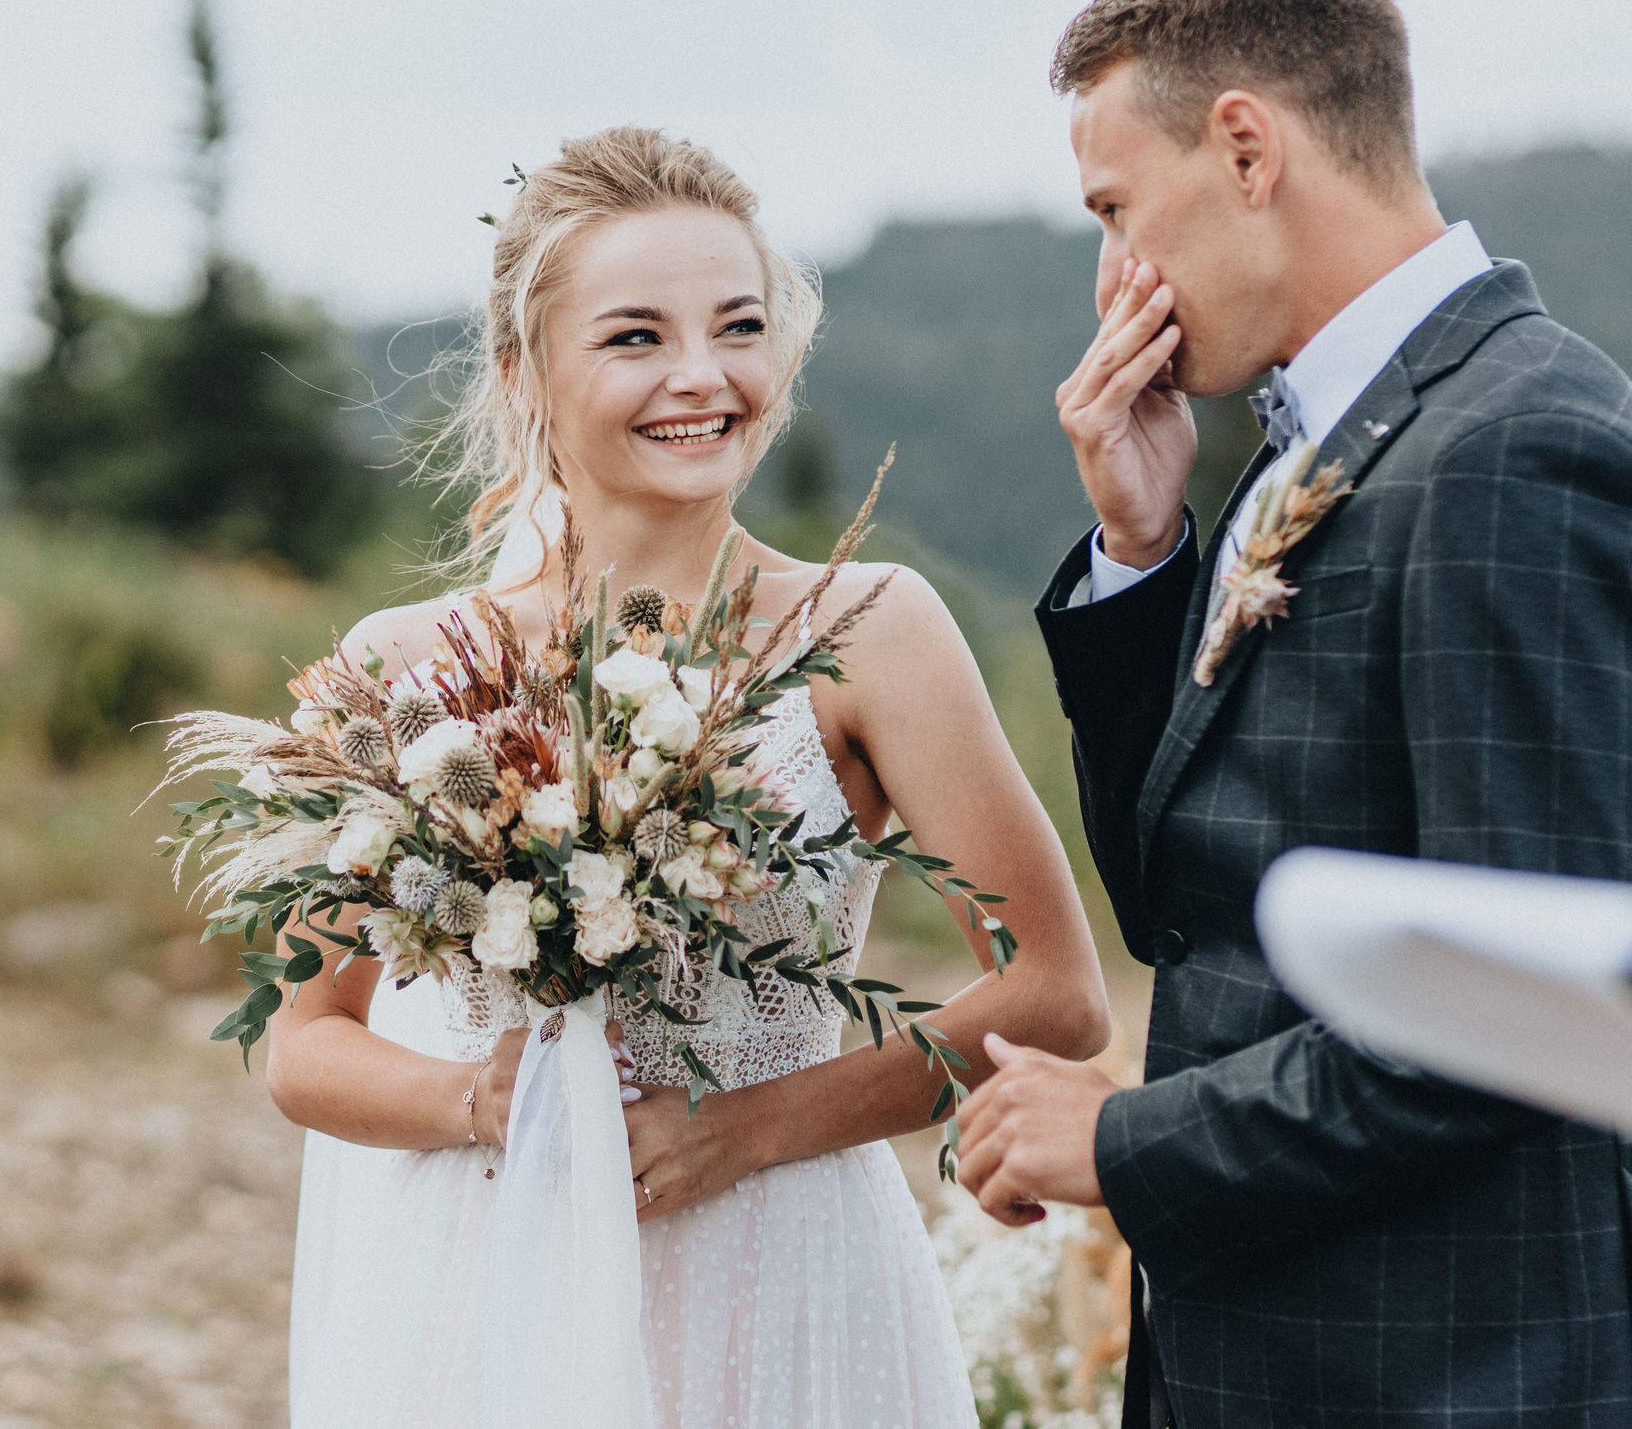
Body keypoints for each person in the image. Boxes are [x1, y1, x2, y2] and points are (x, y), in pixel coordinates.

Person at [954, 0, 1632, 1429]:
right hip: (1284, 1363)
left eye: (1118, 209)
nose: (1115, 279)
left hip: (1466, 1374)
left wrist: (1123, 1144)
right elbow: (1189, 901)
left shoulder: (1520, 451)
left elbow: (1533, 1003)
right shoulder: (1310, 444)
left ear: (1246, 148)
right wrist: (1144, 546)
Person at [262, 127, 1112, 1428]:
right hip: (488, 1277)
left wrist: (747, 1128)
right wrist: (474, 1099)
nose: (703, 377)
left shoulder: (869, 633)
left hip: (780, 1265)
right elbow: (302, 1043)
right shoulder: (402, 671)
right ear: (523, 373)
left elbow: (1053, 993)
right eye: (635, 336)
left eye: (739, 326)